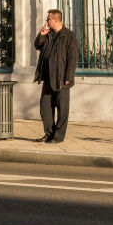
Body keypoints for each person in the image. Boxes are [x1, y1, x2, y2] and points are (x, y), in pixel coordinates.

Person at [33, 9, 79, 142]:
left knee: (62, 109)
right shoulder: (49, 34)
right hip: (47, 77)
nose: (46, 21)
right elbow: (37, 45)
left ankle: (58, 137)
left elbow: (73, 57)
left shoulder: (68, 36)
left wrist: (68, 77)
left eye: (48, 19)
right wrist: (42, 34)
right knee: (45, 107)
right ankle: (49, 134)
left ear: (56, 20)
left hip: (61, 78)